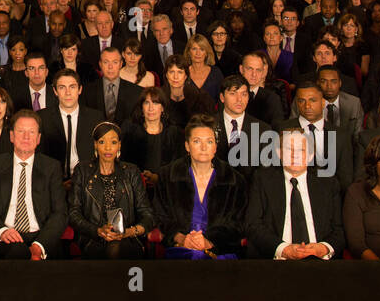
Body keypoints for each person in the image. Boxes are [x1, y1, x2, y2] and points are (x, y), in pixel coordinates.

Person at [0, 110, 66, 259]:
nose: (26, 137)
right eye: (21, 131)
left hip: (41, 236)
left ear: (38, 138)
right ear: (11, 136)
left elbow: (60, 213)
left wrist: (39, 245)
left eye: (31, 132)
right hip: (4, 236)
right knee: (17, 253)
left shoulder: (52, 168)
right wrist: (2, 230)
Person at [245, 128, 345, 260]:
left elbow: (339, 230)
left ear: (310, 155)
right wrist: (283, 249)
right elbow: (252, 224)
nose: (294, 155)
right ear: (279, 152)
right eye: (289, 149)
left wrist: (323, 248)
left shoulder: (328, 184)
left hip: (320, 263)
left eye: (301, 150)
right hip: (277, 262)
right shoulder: (262, 180)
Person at [154, 117, 246, 259]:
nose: (204, 147)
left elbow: (238, 225)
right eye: (197, 141)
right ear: (187, 146)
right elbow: (160, 218)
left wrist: (209, 242)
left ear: (215, 146)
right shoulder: (167, 176)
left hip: (220, 251)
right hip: (181, 249)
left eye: (209, 142)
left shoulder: (235, 180)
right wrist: (181, 239)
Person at [67, 121, 154, 258]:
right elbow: (73, 213)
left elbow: (147, 214)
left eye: (113, 142)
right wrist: (97, 231)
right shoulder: (82, 171)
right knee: (107, 250)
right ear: (95, 144)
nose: (108, 148)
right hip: (92, 237)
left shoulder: (131, 172)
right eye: (102, 142)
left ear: (119, 145)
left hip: (128, 238)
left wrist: (129, 232)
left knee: (119, 248)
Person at [39, 68, 100, 182]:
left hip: (87, 180)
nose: (68, 92)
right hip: (52, 180)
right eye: (62, 87)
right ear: (55, 91)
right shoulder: (42, 118)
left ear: (80, 89)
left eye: (72, 87)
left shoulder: (95, 118)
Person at [118, 87, 182, 187]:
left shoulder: (174, 133)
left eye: (155, 103)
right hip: (134, 187)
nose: (150, 108)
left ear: (162, 108)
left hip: (166, 190)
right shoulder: (130, 130)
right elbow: (122, 163)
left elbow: (178, 167)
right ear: (142, 108)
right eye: (147, 103)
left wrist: (158, 178)